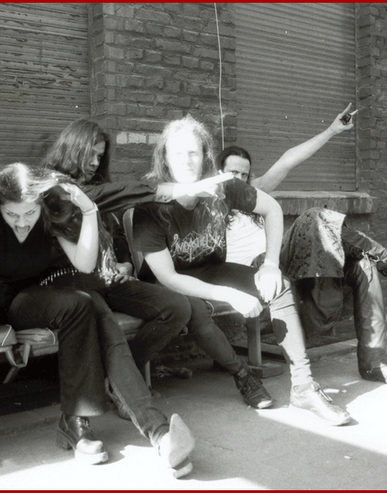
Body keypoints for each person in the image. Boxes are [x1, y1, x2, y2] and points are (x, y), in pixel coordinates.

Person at [0, 163, 196, 477]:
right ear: (0, 207)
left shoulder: (49, 217)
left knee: (78, 304)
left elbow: (85, 264)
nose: (21, 223)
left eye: (29, 213)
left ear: (40, 205)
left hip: (25, 296)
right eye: (12, 214)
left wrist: (89, 211)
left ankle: (74, 420)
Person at [131, 115, 352, 426]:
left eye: (194, 152)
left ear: (205, 155)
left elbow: (272, 209)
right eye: (178, 152)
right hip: (169, 282)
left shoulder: (223, 187)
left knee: (279, 286)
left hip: (211, 269)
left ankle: (304, 387)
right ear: (165, 157)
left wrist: (271, 265)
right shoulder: (150, 204)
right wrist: (231, 295)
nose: (187, 160)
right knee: (194, 308)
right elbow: (169, 277)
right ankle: (242, 374)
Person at [42, 119, 272, 411]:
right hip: (72, 284)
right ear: (72, 149)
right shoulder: (56, 188)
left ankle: (123, 377)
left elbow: (115, 234)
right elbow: (113, 195)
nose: (94, 162)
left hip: (110, 280)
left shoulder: (97, 185)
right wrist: (181, 189)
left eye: (99, 156)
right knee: (167, 312)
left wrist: (125, 263)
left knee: (177, 308)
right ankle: (128, 385)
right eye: (90, 154)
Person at [220, 106, 387, 387]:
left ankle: (375, 363)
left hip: (279, 263)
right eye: (232, 173)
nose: (239, 180)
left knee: (362, 266)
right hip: (253, 273)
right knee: (313, 216)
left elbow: (287, 161)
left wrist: (331, 130)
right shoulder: (211, 201)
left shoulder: (254, 195)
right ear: (219, 173)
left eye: (244, 175)